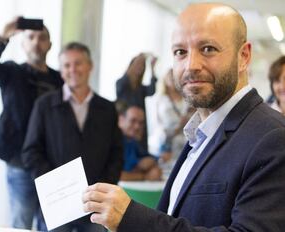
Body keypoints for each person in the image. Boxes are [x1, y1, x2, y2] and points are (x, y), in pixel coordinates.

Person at [82, 3, 285, 231]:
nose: (191, 66)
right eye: (180, 52)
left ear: (244, 56)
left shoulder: (273, 138)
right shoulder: (202, 133)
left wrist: (131, 218)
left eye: (208, 49)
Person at [22, 42, 123, 232]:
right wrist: (53, 184)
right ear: (61, 71)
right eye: (67, 65)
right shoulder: (44, 105)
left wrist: (104, 186)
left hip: (95, 204)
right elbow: (30, 152)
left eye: (78, 63)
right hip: (57, 204)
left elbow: (116, 153)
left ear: (90, 66)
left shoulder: (107, 109)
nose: (73, 70)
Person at [0, 17, 63, 229]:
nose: (37, 42)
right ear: (23, 44)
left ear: (50, 45)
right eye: (31, 37)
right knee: (21, 224)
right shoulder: (12, 72)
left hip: (50, 163)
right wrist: (4, 35)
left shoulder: (60, 80)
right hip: (19, 162)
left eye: (42, 38)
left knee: (52, 224)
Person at [116, 53, 158, 151]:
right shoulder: (122, 83)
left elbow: (152, 90)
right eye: (138, 64)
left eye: (143, 66)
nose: (140, 67)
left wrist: (152, 68)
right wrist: (140, 58)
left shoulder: (141, 88)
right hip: (127, 125)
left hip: (139, 125)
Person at [155, 69, 194, 164]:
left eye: (174, 76)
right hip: (168, 138)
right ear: (164, 79)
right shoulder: (161, 98)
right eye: (170, 76)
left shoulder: (187, 96)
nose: (172, 78)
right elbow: (158, 120)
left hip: (185, 137)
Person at [118, 105, 161, 181]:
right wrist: (144, 176)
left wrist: (152, 162)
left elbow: (149, 159)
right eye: (133, 121)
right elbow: (116, 175)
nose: (137, 126)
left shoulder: (132, 141)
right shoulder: (112, 143)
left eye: (141, 123)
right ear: (121, 120)